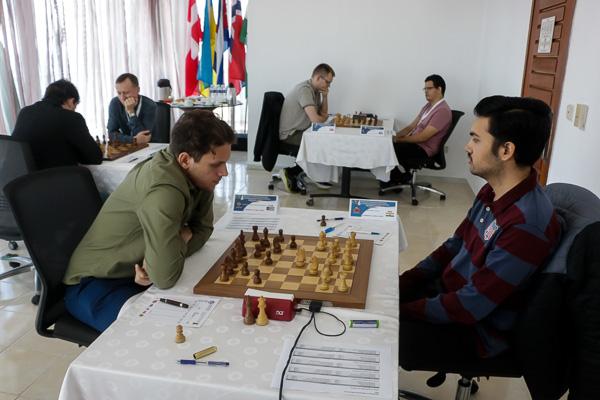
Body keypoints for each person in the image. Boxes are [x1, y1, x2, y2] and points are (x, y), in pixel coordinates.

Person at [399, 96, 561, 365]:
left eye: (476, 139)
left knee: (371, 329)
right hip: (449, 294)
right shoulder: (492, 190)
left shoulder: (525, 225)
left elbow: (470, 305)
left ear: (506, 150)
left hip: (475, 330)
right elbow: (453, 245)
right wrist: (404, 283)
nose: (467, 146)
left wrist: (399, 310)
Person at [63, 110, 234, 331]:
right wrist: (178, 240)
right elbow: (164, 277)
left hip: (137, 275)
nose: (224, 172)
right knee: (162, 332)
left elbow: (203, 230)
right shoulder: (164, 190)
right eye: (216, 164)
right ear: (185, 160)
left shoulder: (198, 176)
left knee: (209, 315)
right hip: (94, 284)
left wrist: (165, 255)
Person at [11, 79, 102, 169]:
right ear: (71, 101)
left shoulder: (25, 112)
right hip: (57, 176)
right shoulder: (72, 118)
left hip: (23, 176)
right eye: (75, 106)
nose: (74, 110)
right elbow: (95, 157)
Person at [382, 74, 452, 189]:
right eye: (425, 89)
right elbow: (411, 127)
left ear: (439, 89)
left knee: (388, 148)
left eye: (429, 88)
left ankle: (398, 178)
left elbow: (422, 137)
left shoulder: (442, 111)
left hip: (423, 149)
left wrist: (398, 140)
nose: (426, 91)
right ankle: (399, 178)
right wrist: (394, 136)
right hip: (416, 144)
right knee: (387, 144)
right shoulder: (428, 106)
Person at [278, 63, 335, 192]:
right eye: (328, 82)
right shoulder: (304, 90)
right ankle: (291, 172)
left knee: (324, 139)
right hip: (291, 134)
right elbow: (316, 120)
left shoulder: (316, 91)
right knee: (320, 142)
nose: (329, 86)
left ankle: (315, 175)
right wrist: (322, 118)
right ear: (318, 78)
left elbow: (323, 115)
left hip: (302, 131)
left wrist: (325, 96)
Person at [107, 73, 156, 144]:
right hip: (127, 146)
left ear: (138, 90)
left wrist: (131, 112)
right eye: (119, 93)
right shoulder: (115, 103)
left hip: (150, 147)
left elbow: (143, 138)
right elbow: (111, 134)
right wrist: (133, 140)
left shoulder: (150, 106)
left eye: (126, 93)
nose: (122, 98)